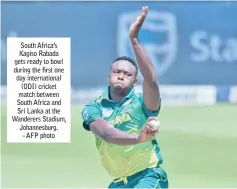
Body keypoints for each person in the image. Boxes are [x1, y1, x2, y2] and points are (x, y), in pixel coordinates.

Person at [81, 6, 169, 189]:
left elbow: (151, 81)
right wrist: (138, 138)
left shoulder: (141, 103)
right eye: (117, 72)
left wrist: (134, 40)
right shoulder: (93, 108)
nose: (121, 76)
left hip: (149, 176)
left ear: (135, 81)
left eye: (127, 74)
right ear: (108, 76)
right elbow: (106, 134)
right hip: (118, 183)